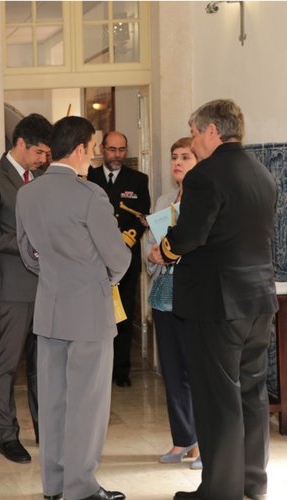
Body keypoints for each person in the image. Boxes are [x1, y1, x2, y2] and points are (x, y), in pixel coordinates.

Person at [152, 99, 278, 500]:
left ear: (211, 131)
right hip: (259, 301)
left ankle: (220, 491)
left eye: (194, 131)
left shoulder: (206, 175)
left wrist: (163, 251)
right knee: (252, 395)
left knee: (217, 399)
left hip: (216, 304)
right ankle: (252, 483)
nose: (192, 139)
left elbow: (189, 235)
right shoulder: (263, 173)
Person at [17, 116, 129, 500]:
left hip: (48, 309)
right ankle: (80, 488)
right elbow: (119, 258)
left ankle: (54, 485)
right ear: (80, 148)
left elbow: (27, 255)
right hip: (89, 314)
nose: (93, 157)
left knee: (52, 403)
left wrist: (54, 272)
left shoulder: (27, 193)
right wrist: (103, 279)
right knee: (87, 404)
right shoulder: (90, 195)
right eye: (93, 148)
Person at [0, 113, 52, 463]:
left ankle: (45, 430)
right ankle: (6, 435)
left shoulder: (43, 177)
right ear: (20, 144)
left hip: (45, 286)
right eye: (40, 152)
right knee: (4, 365)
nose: (44, 159)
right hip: (11, 288)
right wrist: (29, 245)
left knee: (42, 364)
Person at [145, 138, 201, 470]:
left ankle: (204, 446)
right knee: (172, 371)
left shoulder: (203, 198)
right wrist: (154, 255)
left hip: (192, 296)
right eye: (174, 157)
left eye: (185, 157)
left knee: (196, 371)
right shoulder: (165, 200)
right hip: (163, 295)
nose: (177, 163)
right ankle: (183, 438)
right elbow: (152, 244)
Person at [87, 131, 150, 387]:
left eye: (122, 149)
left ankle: (121, 370)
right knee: (94, 317)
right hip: (93, 261)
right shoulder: (88, 178)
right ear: (102, 149)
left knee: (122, 315)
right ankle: (96, 370)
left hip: (125, 260)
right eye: (112, 149)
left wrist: (122, 243)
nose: (117, 155)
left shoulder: (138, 179)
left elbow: (141, 216)